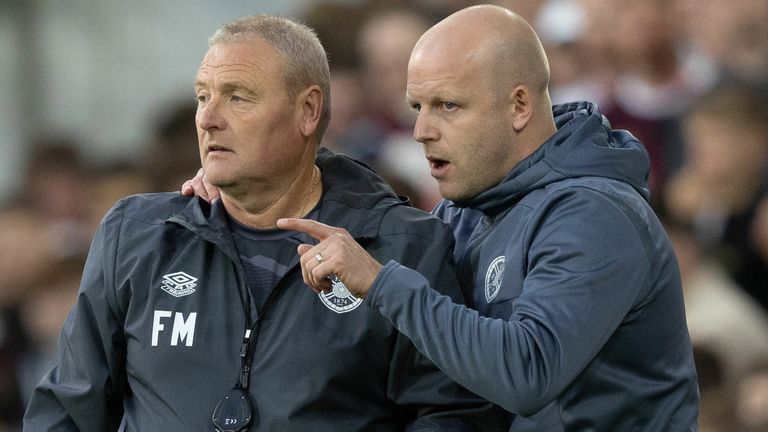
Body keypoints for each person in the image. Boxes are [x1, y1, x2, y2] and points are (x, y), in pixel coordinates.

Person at [23, 15, 506, 431]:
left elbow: (451, 414)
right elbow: (68, 408)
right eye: (202, 95)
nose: (208, 118)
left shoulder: (404, 244)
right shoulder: (136, 233)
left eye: (238, 97)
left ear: (307, 111)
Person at [276, 5, 699, 431]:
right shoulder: (464, 212)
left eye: (447, 105)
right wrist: (229, 192)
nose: (422, 129)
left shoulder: (594, 213)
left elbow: (527, 373)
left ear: (518, 105)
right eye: (417, 106)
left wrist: (381, 282)